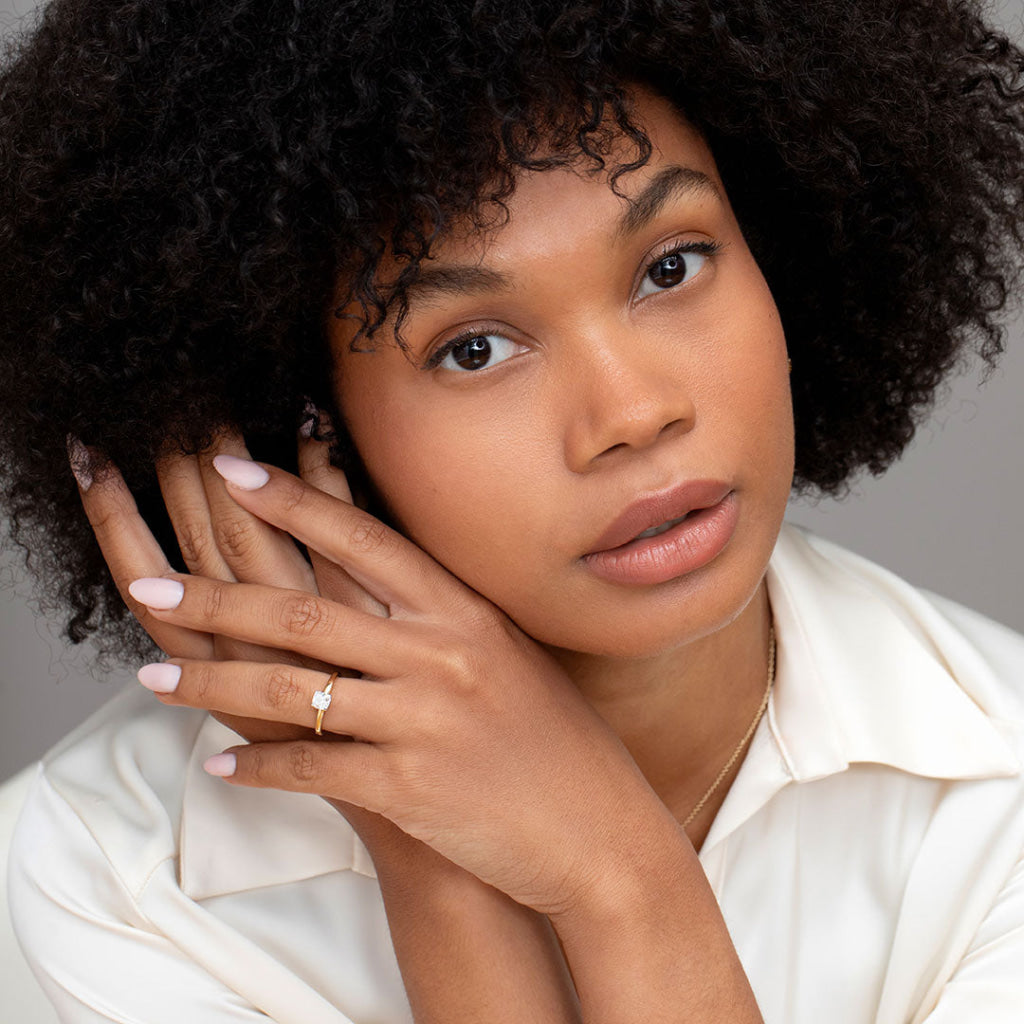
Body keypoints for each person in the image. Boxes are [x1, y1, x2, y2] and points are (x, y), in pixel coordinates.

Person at [2, 0, 1024, 1021]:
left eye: (671, 267)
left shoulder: (1001, 793)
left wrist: (623, 880)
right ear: (299, 425)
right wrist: (431, 858)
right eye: (474, 348)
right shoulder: (103, 882)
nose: (633, 413)